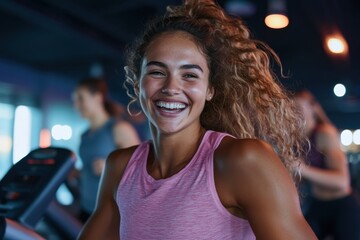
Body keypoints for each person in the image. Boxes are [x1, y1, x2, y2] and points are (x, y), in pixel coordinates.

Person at [78, 1, 317, 239]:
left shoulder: (242, 160)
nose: (171, 88)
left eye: (190, 75)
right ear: (138, 82)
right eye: (157, 72)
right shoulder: (119, 168)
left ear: (210, 89)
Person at [72, 77, 140, 223]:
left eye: (80, 99)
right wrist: (75, 172)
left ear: (97, 98)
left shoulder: (118, 129)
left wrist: (111, 168)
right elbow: (88, 168)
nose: (76, 105)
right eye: (75, 100)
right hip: (86, 207)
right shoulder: (84, 135)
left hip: (111, 213)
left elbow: (142, 168)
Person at [295, 90, 360, 240]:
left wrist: (302, 169)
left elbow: (342, 182)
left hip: (341, 206)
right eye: (290, 110)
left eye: (298, 109)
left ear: (312, 109)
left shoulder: (325, 133)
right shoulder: (300, 139)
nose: (293, 114)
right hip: (318, 204)